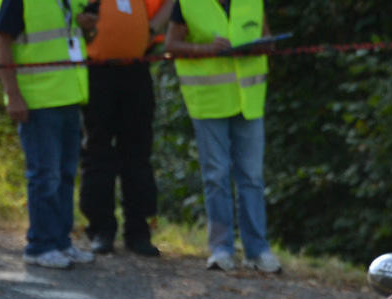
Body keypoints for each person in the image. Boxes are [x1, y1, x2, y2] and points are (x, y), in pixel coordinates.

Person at [164, 0, 280, 273]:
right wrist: (205, 50)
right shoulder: (187, 3)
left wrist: (261, 45)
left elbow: (268, 39)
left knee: (251, 177)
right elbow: (171, 45)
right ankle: (220, 250)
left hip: (248, 101)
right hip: (209, 101)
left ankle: (257, 251)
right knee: (216, 176)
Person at [0, 0, 98, 269]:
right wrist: (13, 95)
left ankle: (60, 242)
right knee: (44, 176)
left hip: (69, 96)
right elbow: (0, 42)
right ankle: (40, 245)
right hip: (39, 101)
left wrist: (85, 25)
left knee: (64, 175)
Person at [79, 0, 177, 256]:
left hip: (136, 71)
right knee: (97, 152)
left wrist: (153, 27)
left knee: (138, 153)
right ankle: (101, 229)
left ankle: (138, 231)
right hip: (96, 71)